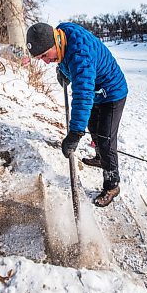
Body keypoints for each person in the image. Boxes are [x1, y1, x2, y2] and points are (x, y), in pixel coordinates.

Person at [25, 22, 128, 207]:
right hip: (96, 92)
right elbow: (65, 59)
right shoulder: (62, 34)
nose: (46, 61)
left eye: (46, 55)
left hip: (112, 92)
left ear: (55, 41)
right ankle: (100, 157)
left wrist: (74, 134)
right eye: (41, 58)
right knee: (94, 129)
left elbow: (82, 94)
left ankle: (112, 185)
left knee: (105, 140)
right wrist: (62, 71)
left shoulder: (81, 55)